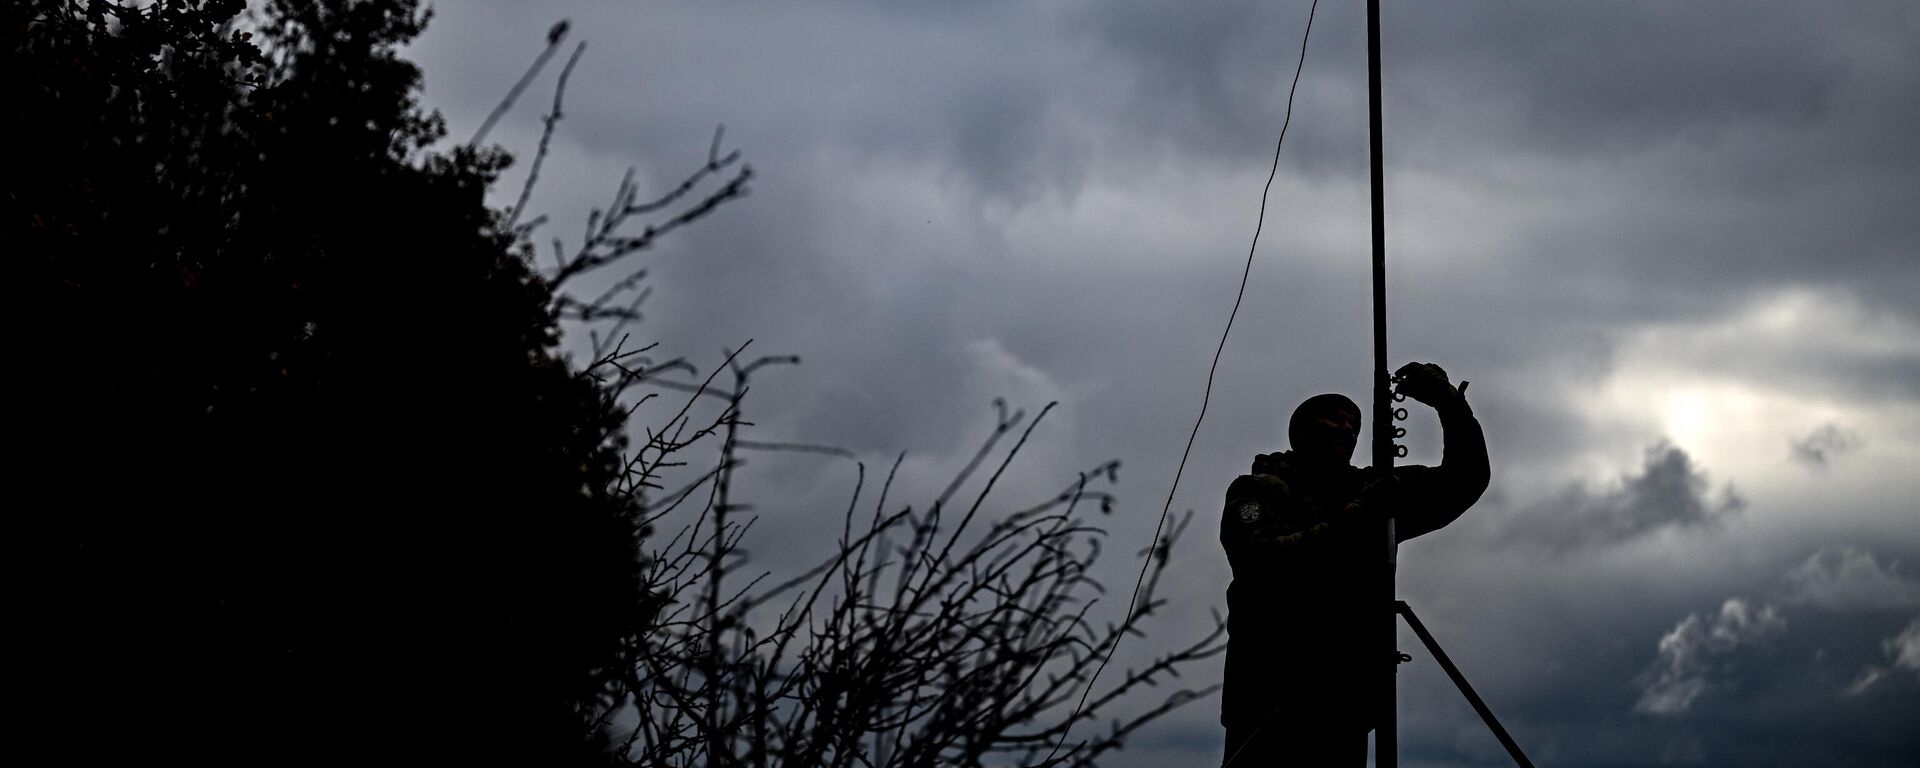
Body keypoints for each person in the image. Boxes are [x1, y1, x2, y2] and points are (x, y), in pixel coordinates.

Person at [1219, 362, 1489, 766]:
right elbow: (1262, 563)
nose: (1347, 428)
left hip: (1346, 696)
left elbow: (1464, 481)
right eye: (1333, 417)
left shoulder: (1373, 490)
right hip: (1271, 691)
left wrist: (1448, 403)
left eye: (1353, 423)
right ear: (1301, 431)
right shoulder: (1259, 491)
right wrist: (1358, 516)